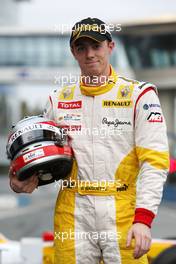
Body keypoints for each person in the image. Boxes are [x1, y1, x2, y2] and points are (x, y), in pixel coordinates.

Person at [9, 17, 169, 264]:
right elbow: (45, 157)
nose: (89, 54)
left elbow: (155, 162)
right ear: (73, 52)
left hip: (123, 209)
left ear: (110, 47)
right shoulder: (57, 99)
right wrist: (24, 181)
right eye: (81, 47)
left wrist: (143, 219)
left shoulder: (140, 95)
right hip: (72, 211)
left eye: (96, 46)